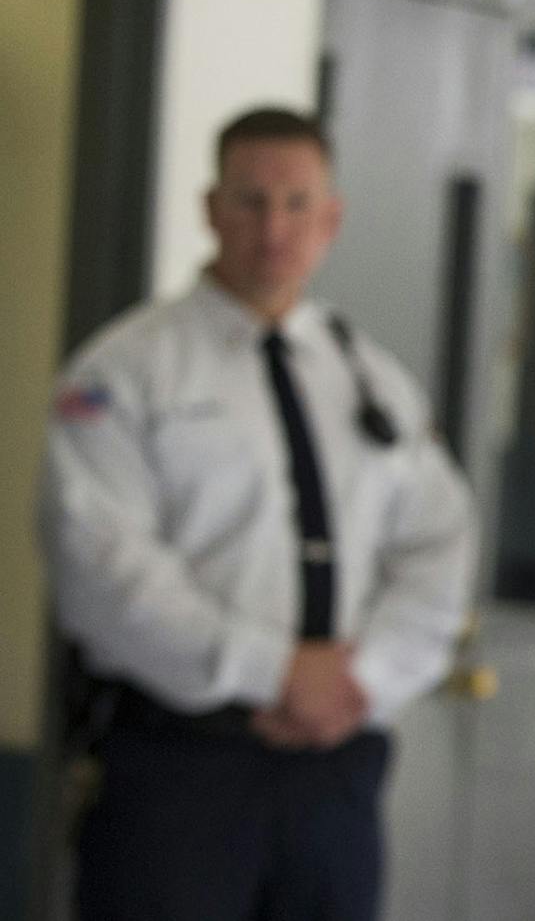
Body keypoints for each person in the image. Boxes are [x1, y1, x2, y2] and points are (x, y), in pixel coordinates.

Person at [39, 107, 477, 920]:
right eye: (250, 201)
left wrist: (362, 677)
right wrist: (273, 668)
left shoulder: (372, 377)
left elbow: (440, 543)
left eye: (297, 202)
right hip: (179, 767)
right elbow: (100, 565)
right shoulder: (127, 369)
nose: (274, 228)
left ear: (331, 218)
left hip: (337, 768)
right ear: (211, 209)